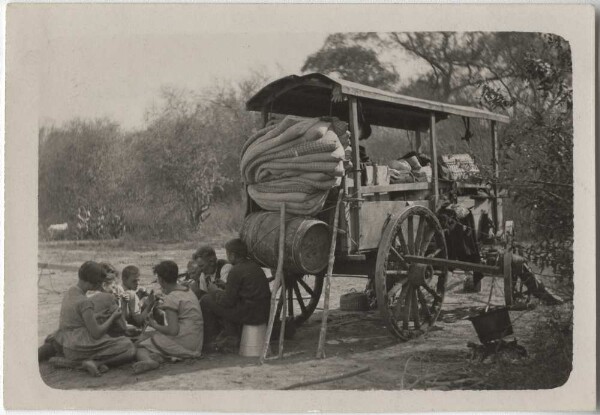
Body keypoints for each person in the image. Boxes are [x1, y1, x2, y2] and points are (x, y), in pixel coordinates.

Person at [47, 261, 136, 376]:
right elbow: (96, 334)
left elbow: (75, 319)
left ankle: (68, 362)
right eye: (98, 283)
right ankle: (96, 363)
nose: (99, 286)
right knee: (129, 347)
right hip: (79, 345)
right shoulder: (85, 302)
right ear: (92, 283)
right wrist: (113, 317)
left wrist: (98, 316)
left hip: (66, 343)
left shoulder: (70, 291)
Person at [200, 239, 271, 353]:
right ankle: (230, 335)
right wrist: (225, 286)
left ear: (233, 255)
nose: (227, 257)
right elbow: (245, 291)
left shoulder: (236, 270)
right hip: (263, 311)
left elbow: (228, 301)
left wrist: (214, 291)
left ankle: (212, 340)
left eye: (228, 254)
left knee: (206, 300)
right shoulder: (254, 266)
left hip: (250, 314)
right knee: (222, 303)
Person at [133, 260, 204, 374]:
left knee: (140, 345)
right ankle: (162, 356)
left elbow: (173, 330)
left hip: (186, 341)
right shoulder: (187, 290)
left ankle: (149, 361)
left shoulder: (171, 298)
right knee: (152, 338)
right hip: (196, 340)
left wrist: (153, 324)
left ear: (161, 280)